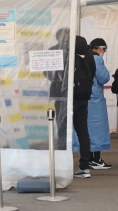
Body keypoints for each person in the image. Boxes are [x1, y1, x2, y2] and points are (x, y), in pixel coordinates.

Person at [72, 38, 112, 169]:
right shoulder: (96, 59)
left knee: (83, 130)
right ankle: (95, 159)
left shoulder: (77, 57)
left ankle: (86, 159)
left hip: (80, 96)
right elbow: (104, 78)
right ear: (100, 48)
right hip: (95, 101)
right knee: (96, 130)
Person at [72, 36, 97, 178]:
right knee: (83, 133)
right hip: (83, 97)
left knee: (63, 133)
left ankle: (61, 165)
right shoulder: (89, 55)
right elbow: (92, 73)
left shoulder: (67, 54)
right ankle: (85, 166)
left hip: (68, 98)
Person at [44, 28, 70, 150]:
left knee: (70, 118)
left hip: (71, 90)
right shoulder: (52, 51)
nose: (66, 38)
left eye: (68, 35)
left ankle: (69, 142)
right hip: (58, 90)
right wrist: (57, 79)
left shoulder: (72, 50)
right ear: (58, 37)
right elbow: (46, 72)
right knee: (60, 117)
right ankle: (61, 143)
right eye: (64, 35)